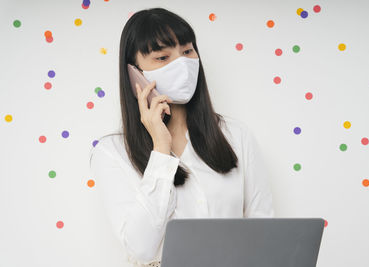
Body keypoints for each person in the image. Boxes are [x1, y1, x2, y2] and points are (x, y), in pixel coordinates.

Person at [89, 7, 275, 267]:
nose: (182, 65)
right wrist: (161, 150)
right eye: (163, 57)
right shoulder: (112, 152)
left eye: (188, 52)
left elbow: (264, 228)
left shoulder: (236, 136)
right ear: (134, 74)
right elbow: (141, 249)